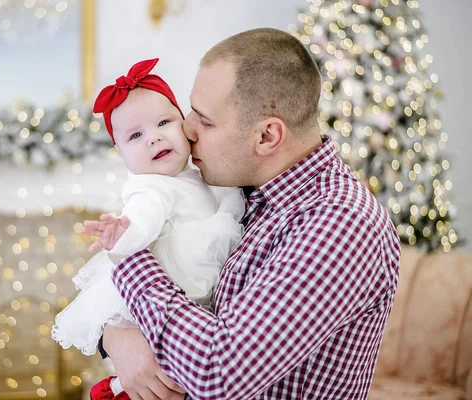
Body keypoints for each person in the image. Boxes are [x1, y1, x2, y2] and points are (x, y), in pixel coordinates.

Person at [99, 28, 402, 400]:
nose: (186, 129)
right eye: (189, 109)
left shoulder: (339, 224)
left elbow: (217, 374)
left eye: (205, 120)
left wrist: (129, 261)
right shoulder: (241, 186)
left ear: (266, 137)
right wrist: (115, 335)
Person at [51, 58, 244, 400]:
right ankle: (117, 391)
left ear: (184, 122)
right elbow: (145, 217)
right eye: (136, 135)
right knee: (160, 369)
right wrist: (125, 234)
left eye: (164, 123)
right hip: (166, 294)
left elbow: (227, 201)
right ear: (120, 152)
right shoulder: (150, 187)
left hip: (186, 301)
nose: (153, 138)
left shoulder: (196, 174)